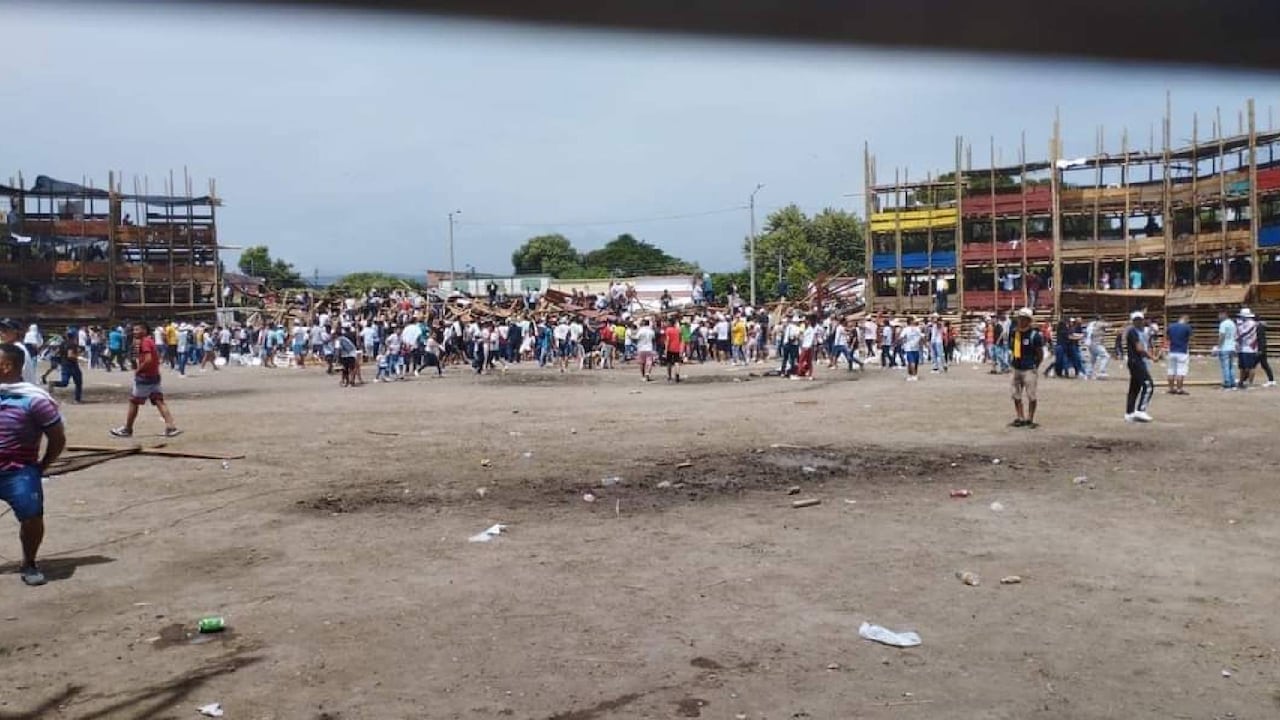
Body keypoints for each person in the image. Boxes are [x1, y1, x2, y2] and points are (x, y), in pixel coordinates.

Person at [0, 344, 66, 586]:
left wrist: (42, 466)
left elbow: (57, 438)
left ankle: (29, 563)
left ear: (7, 366)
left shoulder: (35, 400)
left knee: (31, 517)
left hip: (18, 472)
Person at [110, 322, 181, 438]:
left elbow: (148, 359)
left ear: (144, 330)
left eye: (137, 330)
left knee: (134, 402)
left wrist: (139, 370)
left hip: (145, 377)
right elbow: (138, 357)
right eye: (134, 330)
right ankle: (171, 427)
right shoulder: (148, 341)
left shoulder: (144, 342)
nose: (134, 332)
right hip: (154, 375)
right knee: (159, 401)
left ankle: (127, 429)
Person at [1008, 307, 1046, 428]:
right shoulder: (1014, 333)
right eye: (1019, 318)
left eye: (1023, 319)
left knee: (1031, 395)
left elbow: (1040, 353)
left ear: (1029, 320)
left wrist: (1035, 366)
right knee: (1016, 394)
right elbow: (1011, 347)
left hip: (1029, 368)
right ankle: (1020, 417)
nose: (1020, 321)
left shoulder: (1035, 336)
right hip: (1016, 367)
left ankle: (1030, 418)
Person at [1124, 311, 1155, 423]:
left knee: (1135, 387)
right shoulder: (1133, 332)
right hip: (1136, 362)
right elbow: (1139, 348)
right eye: (1136, 320)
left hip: (1135, 362)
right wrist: (1151, 357)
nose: (1139, 322)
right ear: (1133, 321)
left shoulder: (1141, 331)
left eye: (1140, 319)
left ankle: (1129, 413)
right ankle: (1141, 410)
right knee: (1148, 385)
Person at [47, 327, 83, 404]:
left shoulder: (63, 343)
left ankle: (53, 383)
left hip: (64, 364)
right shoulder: (72, 344)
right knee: (78, 382)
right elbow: (70, 355)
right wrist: (78, 356)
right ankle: (77, 399)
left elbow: (57, 353)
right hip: (72, 365)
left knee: (64, 382)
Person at [0, 320, 38, 384]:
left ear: (15, 332)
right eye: (0, 330)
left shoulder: (14, 349)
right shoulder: (17, 347)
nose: (1, 333)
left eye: (4, 330)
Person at [1165, 313, 1192, 395]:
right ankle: (1179, 389)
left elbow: (1167, 337)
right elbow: (1189, 338)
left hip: (1172, 350)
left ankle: (1171, 388)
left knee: (1171, 371)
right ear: (1186, 320)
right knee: (1180, 371)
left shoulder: (1171, 326)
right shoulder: (1187, 327)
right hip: (1182, 351)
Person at [1236, 308, 1260, 389]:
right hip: (1241, 348)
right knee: (1242, 367)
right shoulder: (1242, 323)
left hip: (1250, 348)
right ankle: (1241, 382)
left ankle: (1250, 383)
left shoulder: (1251, 324)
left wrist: (1239, 327)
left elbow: (1243, 333)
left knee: (1250, 367)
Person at [1216, 309, 1238, 390]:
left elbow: (1222, 336)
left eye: (1219, 315)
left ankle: (1227, 383)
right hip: (1232, 347)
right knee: (1231, 366)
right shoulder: (1232, 323)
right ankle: (1233, 383)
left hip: (1225, 347)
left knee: (1225, 367)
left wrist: (1218, 347)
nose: (1218, 317)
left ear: (1224, 314)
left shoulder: (1223, 324)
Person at [899, 317, 923, 381]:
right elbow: (921, 337)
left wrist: (901, 342)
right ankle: (913, 374)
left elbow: (901, 337)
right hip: (915, 347)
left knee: (911, 362)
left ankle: (912, 375)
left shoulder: (906, 329)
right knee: (914, 362)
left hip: (909, 347)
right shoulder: (917, 329)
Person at [662, 317, 683, 383]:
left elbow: (667, 340)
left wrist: (666, 349)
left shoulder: (668, 330)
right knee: (677, 362)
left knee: (669, 363)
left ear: (670, 323)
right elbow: (680, 339)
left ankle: (669, 376)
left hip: (670, 348)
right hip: (677, 347)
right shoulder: (678, 330)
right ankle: (677, 374)